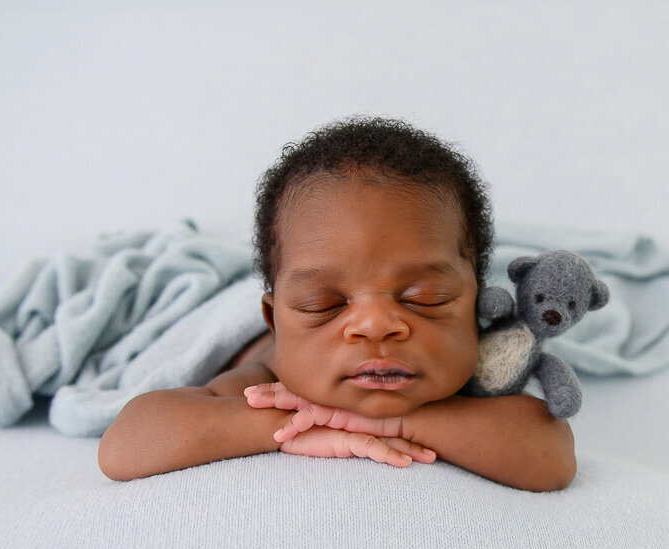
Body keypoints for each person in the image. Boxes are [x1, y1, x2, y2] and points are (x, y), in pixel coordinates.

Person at [98, 117, 575, 491]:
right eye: (322, 303)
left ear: (477, 309)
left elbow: (551, 456)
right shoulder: (268, 380)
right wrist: (292, 424)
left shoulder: (470, 365)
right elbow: (124, 446)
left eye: (424, 298)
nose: (375, 326)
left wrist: (393, 419)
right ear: (276, 323)